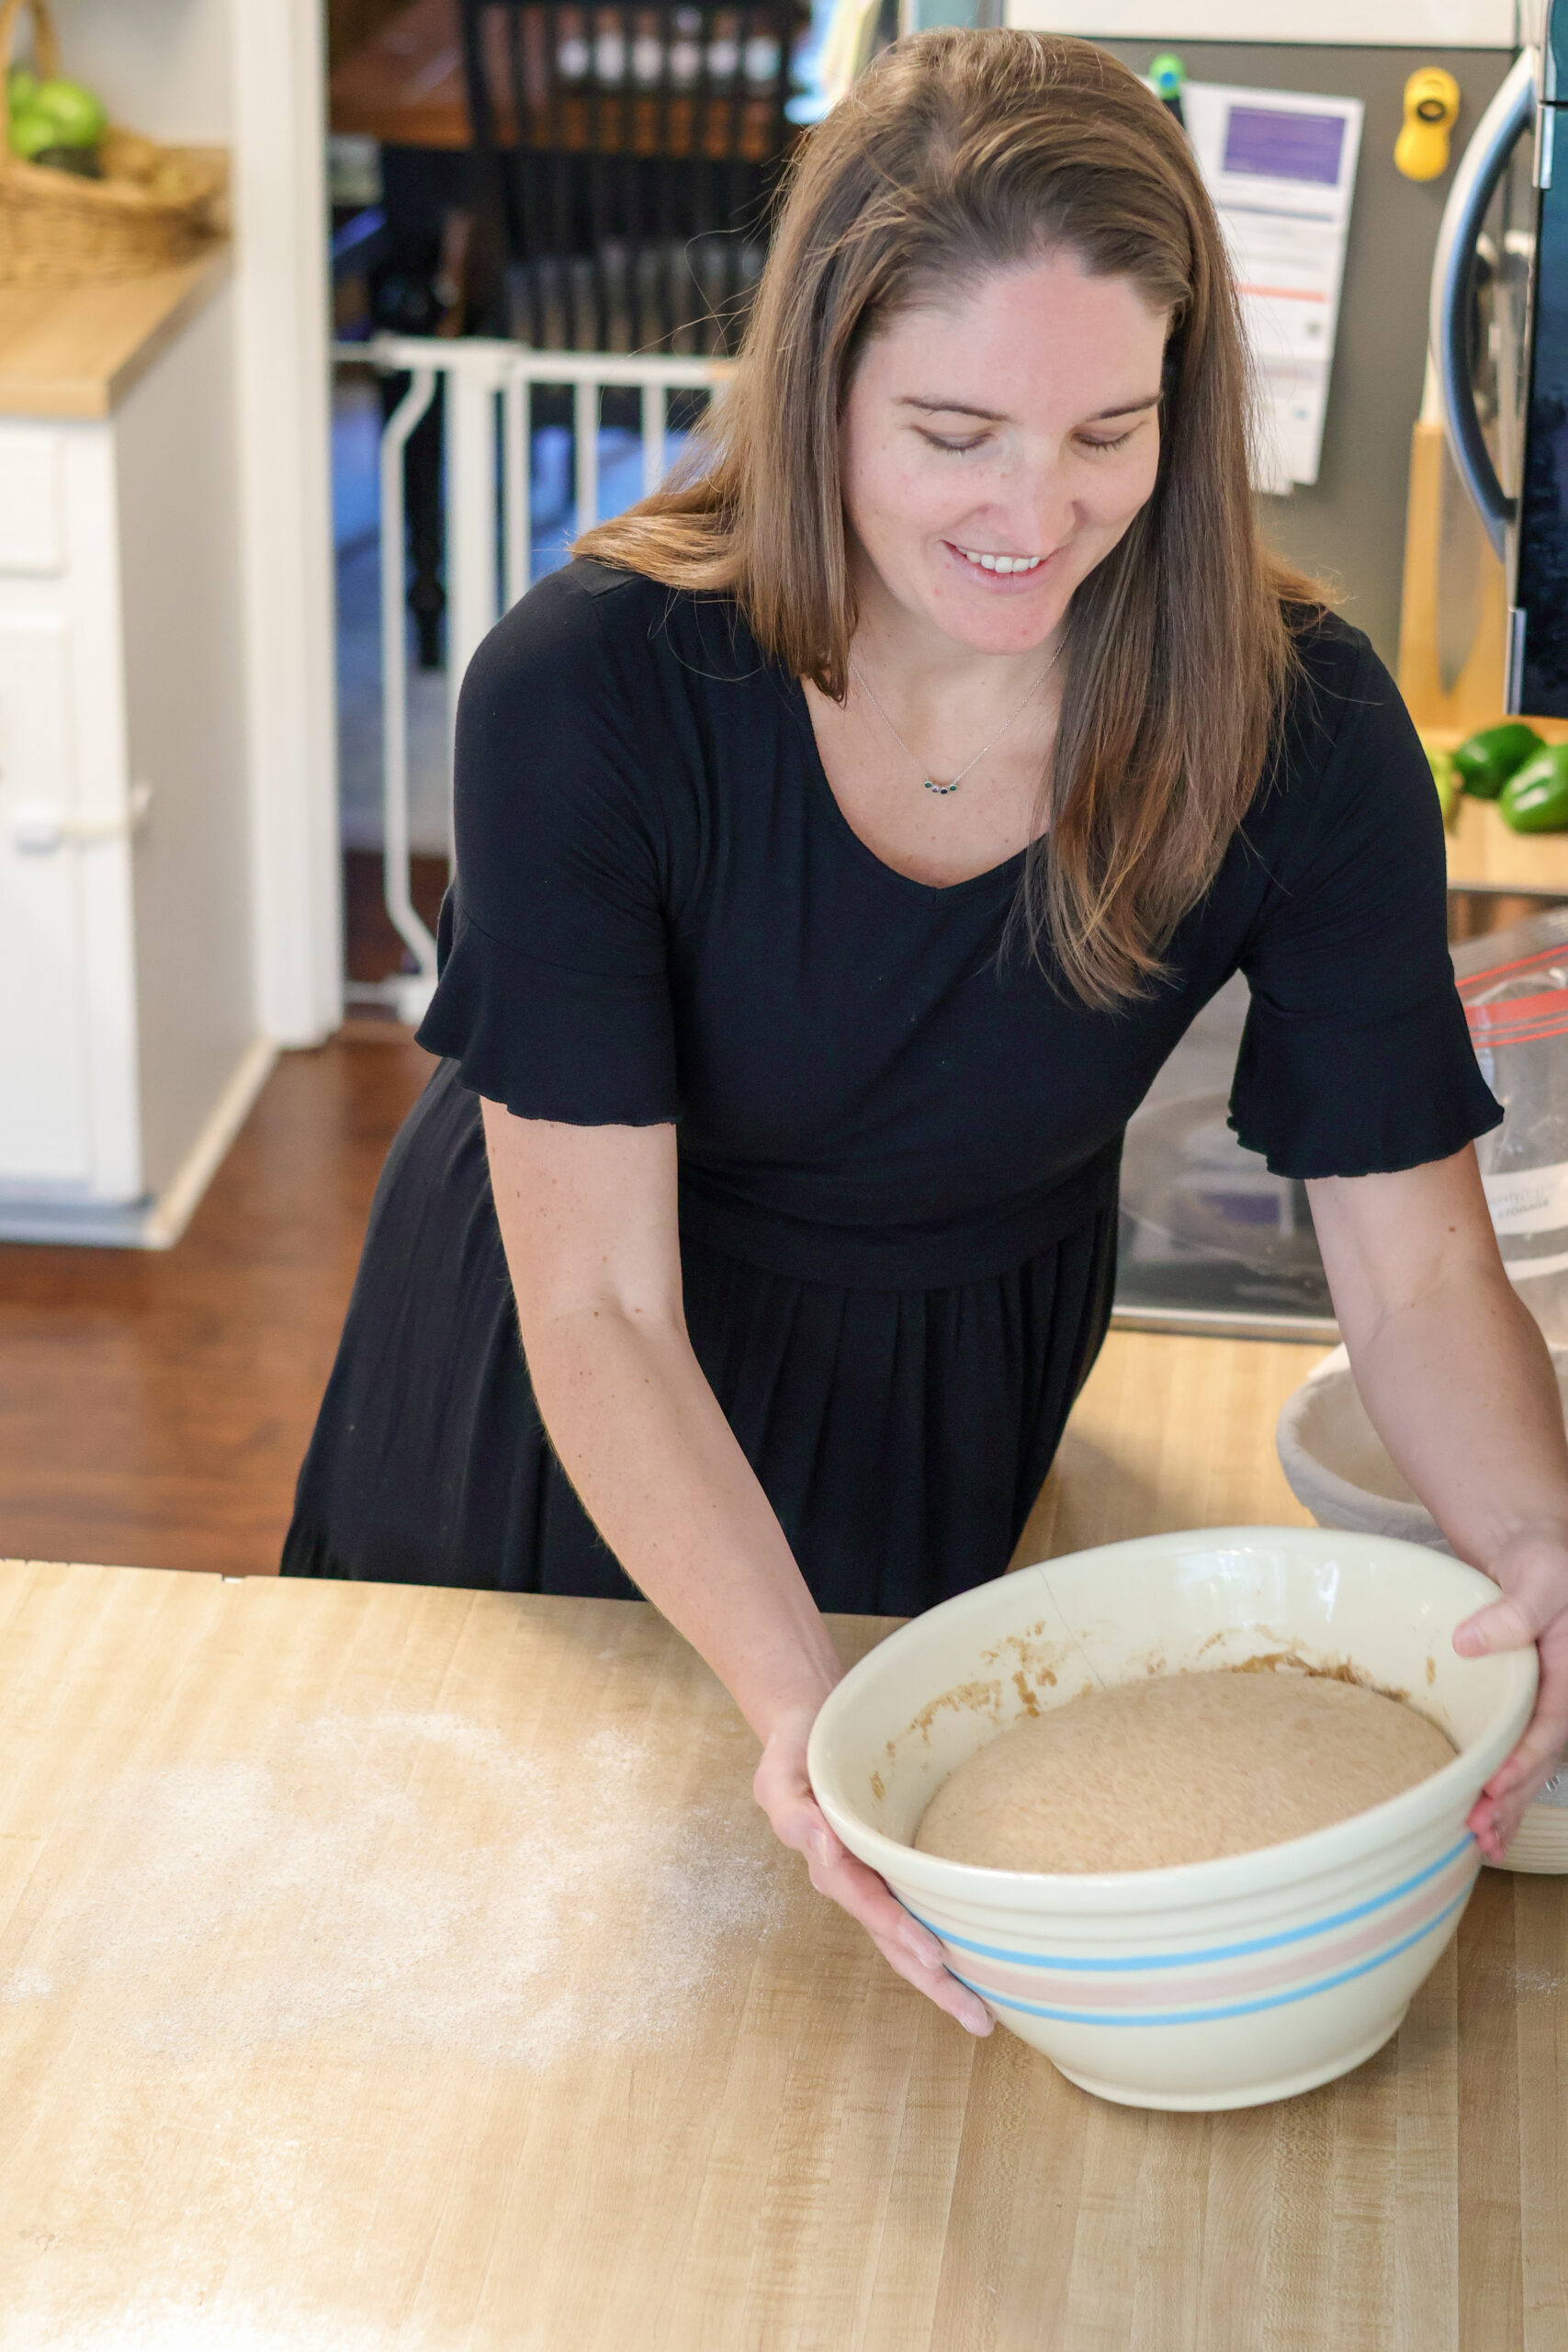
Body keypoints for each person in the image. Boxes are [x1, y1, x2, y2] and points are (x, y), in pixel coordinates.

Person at [288, 30, 1568, 2038]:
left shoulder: (1295, 729)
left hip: (940, 1364)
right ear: (820, 392)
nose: (1031, 513)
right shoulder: (591, 693)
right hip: (572, 1373)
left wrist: (1536, 1542)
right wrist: (797, 1691)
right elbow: (602, 1305)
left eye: (1102, 435)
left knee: (829, 2002)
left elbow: (1407, 1265)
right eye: (952, 430)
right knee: (482, 1953)